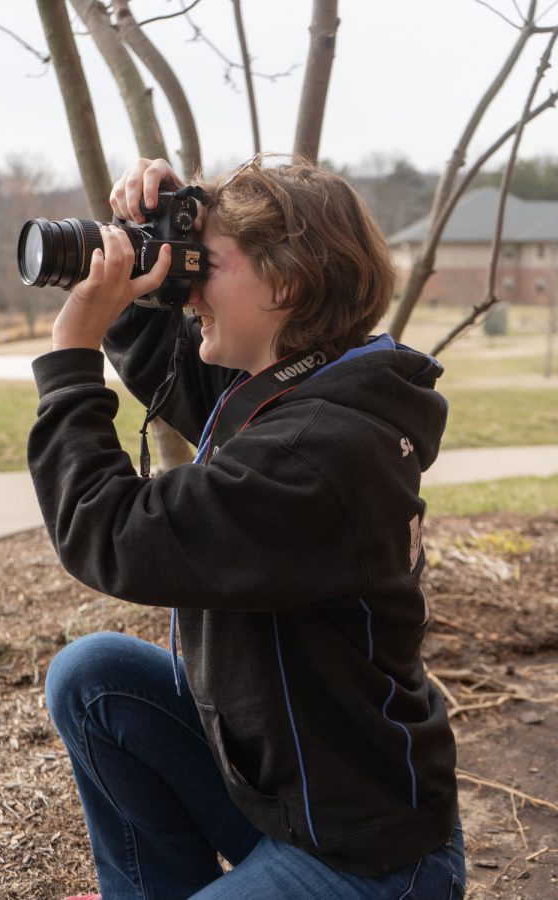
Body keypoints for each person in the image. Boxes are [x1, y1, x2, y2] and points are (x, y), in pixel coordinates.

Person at [28, 155, 466, 900]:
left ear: (286, 283)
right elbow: (180, 372)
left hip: (365, 856)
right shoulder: (299, 391)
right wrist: (155, 244)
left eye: (208, 264)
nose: (190, 285)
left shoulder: (320, 454)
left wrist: (72, 360)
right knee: (94, 679)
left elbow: (112, 533)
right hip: (279, 795)